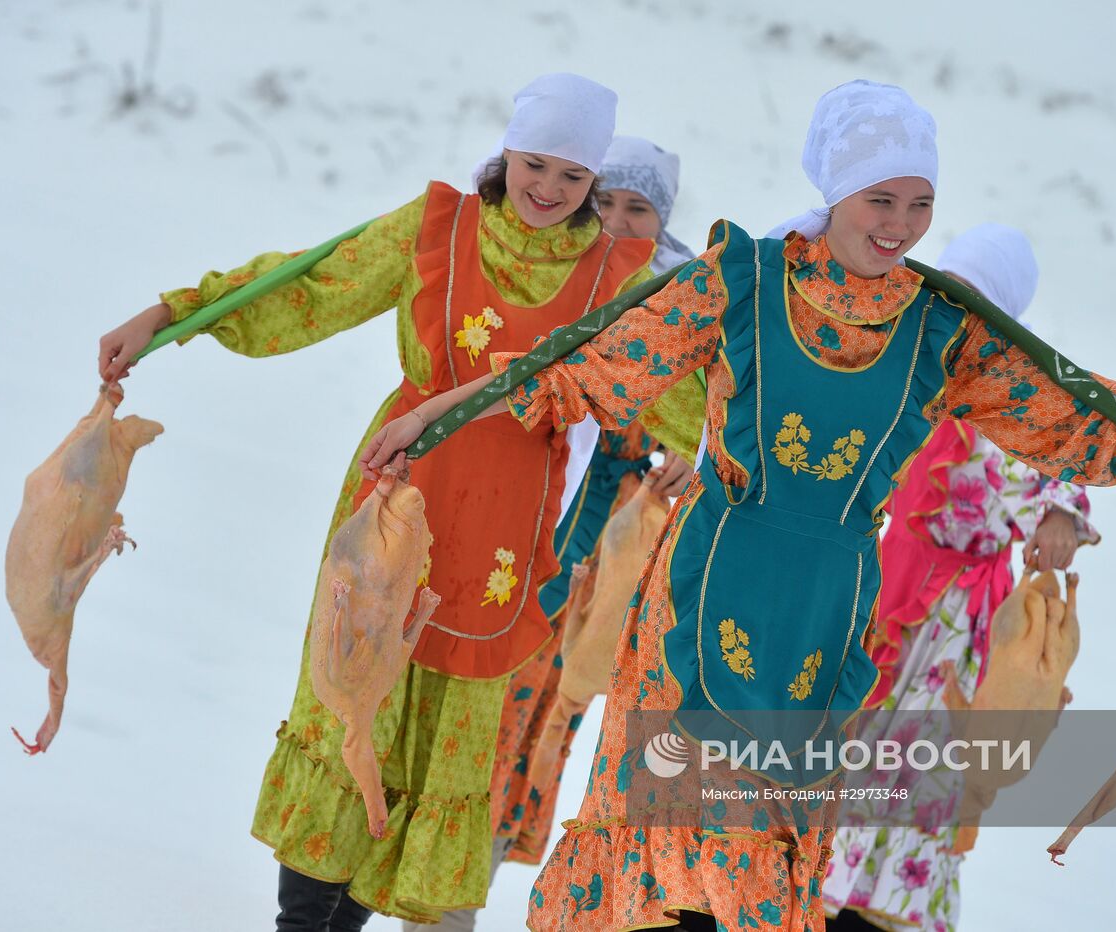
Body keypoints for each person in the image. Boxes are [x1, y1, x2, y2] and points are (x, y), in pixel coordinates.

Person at [356, 79, 1116, 931]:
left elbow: (1077, 405)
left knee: (758, 860)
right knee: (661, 843)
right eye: (883, 200)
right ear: (836, 190)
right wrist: (431, 417)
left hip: (825, 614)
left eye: (921, 205)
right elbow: (583, 364)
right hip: (701, 586)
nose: (903, 226)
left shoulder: (941, 326)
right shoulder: (740, 279)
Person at [96, 73, 702, 929]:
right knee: (354, 695)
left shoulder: (616, 275)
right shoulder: (441, 228)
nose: (550, 190)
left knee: (440, 727)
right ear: (507, 153)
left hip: (503, 525)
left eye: (573, 177)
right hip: (399, 496)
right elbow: (311, 284)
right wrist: (169, 315)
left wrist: (702, 450)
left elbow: (685, 385)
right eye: (537, 164)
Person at [444, 136, 705, 932]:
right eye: (607, 203)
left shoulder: (681, 298)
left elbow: (705, 414)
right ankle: (440, 871)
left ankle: (472, 877)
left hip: (609, 543)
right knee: (490, 690)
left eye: (639, 207)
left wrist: (684, 459)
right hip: (524, 516)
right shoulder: (563, 276)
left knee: (553, 707)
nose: (619, 220)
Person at [822, 224, 1097, 932]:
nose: (947, 307)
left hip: (949, 625)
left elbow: (1047, 464)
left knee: (912, 776)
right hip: (876, 593)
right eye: (942, 288)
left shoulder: (1005, 401)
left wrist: (1057, 517)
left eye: (970, 299)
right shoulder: (899, 366)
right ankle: (819, 898)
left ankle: (885, 914)